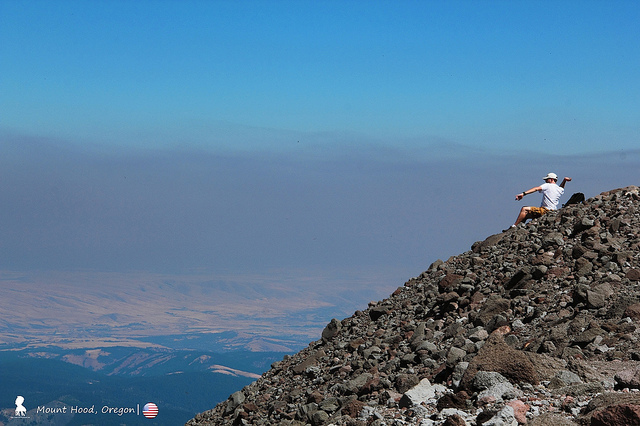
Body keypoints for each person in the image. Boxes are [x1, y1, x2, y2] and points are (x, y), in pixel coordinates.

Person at [506, 172, 572, 230]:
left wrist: (523, 193)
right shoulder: (559, 189)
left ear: (551, 179)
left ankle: (514, 226)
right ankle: (519, 228)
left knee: (524, 209)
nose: (545, 181)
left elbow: (536, 188)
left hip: (545, 210)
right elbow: (562, 187)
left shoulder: (548, 185)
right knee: (526, 215)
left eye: (547, 179)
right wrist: (564, 180)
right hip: (553, 211)